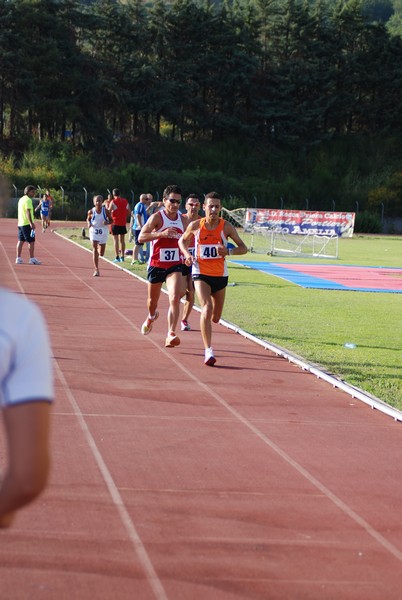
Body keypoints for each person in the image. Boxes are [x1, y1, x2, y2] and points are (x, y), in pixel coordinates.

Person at [0, 180, 54, 528]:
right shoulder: (17, 319)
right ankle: (28, 257)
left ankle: (25, 255)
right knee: (28, 240)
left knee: (24, 240)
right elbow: (27, 477)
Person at [179, 191, 247, 366]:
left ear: (221, 208)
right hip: (200, 272)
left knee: (216, 317)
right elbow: (182, 241)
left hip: (220, 276)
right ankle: (208, 351)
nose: (214, 209)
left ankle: (209, 331)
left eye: (217, 206)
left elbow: (243, 248)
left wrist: (228, 251)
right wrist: (187, 254)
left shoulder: (226, 227)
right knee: (206, 307)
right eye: (211, 206)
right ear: (204, 207)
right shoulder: (195, 226)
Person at [139, 184, 188, 348]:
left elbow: (188, 240)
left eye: (178, 202)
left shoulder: (184, 220)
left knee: (174, 297)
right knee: (152, 301)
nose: (175, 205)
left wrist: (188, 255)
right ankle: (151, 316)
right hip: (156, 264)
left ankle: (171, 334)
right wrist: (161, 233)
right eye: (172, 201)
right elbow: (141, 237)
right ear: (165, 200)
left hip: (175, 264)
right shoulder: (157, 218)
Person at [180, 194, 201, 331]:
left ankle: (184, 320)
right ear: (186, 206)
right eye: (191, 204)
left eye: (196, 205)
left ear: (200, 207)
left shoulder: (202, 221)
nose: (193, 207)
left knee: (191, 291)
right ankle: (174, 310)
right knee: (180, 291)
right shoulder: (179, 219)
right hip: (179, 259)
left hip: (194, 260)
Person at [87, 194, 112, 276]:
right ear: (94, 203)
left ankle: (98, 251)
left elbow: (111, 220)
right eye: (96, 201)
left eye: (100, 201)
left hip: (103, 231)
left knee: (101, 253)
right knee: (94, 249)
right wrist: (89, 223)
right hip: (94, 231)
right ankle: (96, 269)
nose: (98, 202)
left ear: (102, 202)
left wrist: (107, 222)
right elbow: (88, 219)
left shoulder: (106, 211)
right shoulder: (91, 211)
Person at [15, 185, 42, 265]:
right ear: (28, 191)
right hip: (27, 224)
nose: (34, 193)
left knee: (21, 241)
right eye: (33, 191)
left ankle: (18, 258)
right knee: (31, 241)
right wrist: (31, 223)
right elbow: (28, 212)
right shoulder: (28, 200)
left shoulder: (21, 199)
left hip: (20, 223)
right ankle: (32, 259)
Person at [107, 188, 131, 262]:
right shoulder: (125, 201)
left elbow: (108, 211)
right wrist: (124, 215)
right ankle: (122, 256)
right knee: (122, 241)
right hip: (123, 223)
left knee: (116, 240)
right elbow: (129, 212)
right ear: (120, 194)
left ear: (113, 195)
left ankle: (117, 257)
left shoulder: (113, 201)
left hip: (115, 222)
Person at [131, 193, 149, 265]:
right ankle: (134, 259)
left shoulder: (139, 205)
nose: (147, 200)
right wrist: (141, 226)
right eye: (146, 199)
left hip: (138, 227)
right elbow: (138, 215)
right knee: (137, 244)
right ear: (142, 199)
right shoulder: (140, 205)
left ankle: (135, 259)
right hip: (138, 228)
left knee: (139, 244)